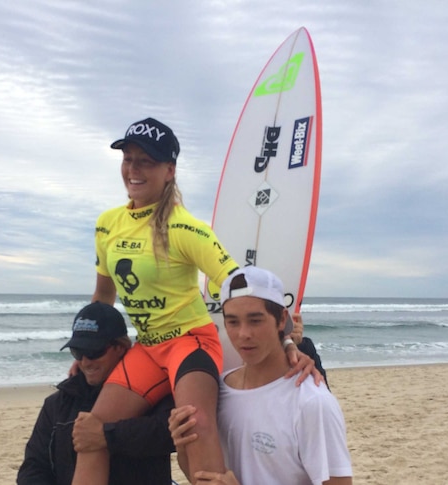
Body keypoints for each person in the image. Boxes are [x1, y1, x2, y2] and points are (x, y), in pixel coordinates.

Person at [72, 118, 320, 485]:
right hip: (148, 349)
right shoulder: (107, 224)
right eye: (128, 158)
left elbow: (241, 287)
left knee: (194, 424)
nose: (133, 169)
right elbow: (104, 296)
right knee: (90, 431)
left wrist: (286, 339)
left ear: (169, 170)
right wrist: (87, 353)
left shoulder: (186, 229)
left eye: (146, 161)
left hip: (190, 343)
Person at [170, 266, 353, 484]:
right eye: (233, 322)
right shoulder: (218, 391)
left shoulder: (312, 402)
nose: (243, 334)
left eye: (255, 320)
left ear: (282, 319)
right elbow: (199, 477)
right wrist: (182, 446)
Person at [17, 301, 175, 485]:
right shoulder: (57, 404)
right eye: (78, 352)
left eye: (93, 352)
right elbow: (34, 467)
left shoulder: (149, 394)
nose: (85, 361)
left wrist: (106, 435)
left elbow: (170, 433)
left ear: (121, 347)